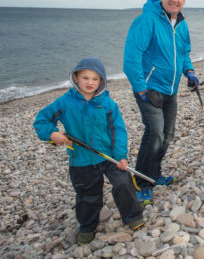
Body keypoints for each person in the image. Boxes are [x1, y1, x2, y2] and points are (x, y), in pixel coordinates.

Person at [33, 58, 143, 245]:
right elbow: (41, 121)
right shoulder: (64, 102)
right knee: (88, 196)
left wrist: (121, 156)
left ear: (101, 82)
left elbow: (118, 131)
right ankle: (87, 226)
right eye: (85, 77)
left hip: (110, 157)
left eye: (95, 79)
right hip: (81, 160)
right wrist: (52, 134)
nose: (90, 82)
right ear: (76, 78)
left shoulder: (108, 104)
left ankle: (132, 216)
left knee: (124, 183)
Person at [123, 0, 199, 205]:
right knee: (154, 132)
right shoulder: (147, 20)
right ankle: (141, 181)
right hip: (149, 88)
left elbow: (184, 53)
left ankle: (152, 174)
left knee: (167, 135)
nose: (174, 0)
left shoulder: (182, 24)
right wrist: (142, 89)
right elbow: (131, 58)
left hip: (170, 89)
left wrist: (190, 71)